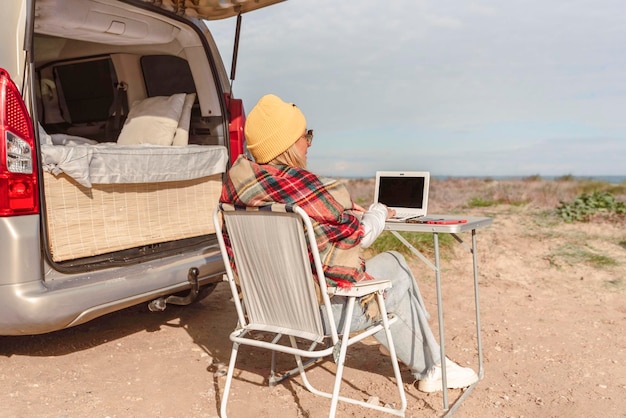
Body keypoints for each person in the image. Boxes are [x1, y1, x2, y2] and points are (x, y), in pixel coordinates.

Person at [219, 93, 478, 392]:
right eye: (306, 136)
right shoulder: (312, 193)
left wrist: (345, 214)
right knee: (396, 266)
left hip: (267, 310)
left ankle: (425, 350)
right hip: (317, 319)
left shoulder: (234, 191)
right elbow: (360, 236)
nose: (309, 143)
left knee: (393, 279)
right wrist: (378, 211)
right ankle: (434, 366)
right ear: (288, 144)